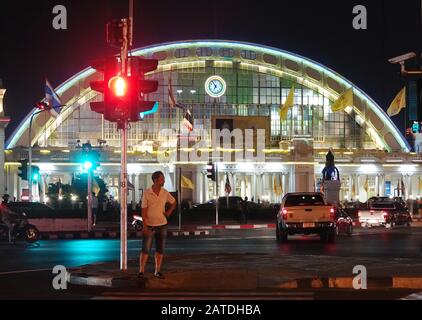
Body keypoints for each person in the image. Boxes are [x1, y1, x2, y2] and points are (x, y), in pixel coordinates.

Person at [139, 171, 176, 279]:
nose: (164, 181)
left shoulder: (165, 192)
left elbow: (174, 202)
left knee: (160, 250)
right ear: (155, 180)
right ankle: (141, 271)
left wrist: (168, 212)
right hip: (150, 225)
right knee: (145, 249)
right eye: (162, 179)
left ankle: (157, 270)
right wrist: (144, 226)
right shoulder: (147, 193)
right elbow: (144, 211)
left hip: (162, 225)